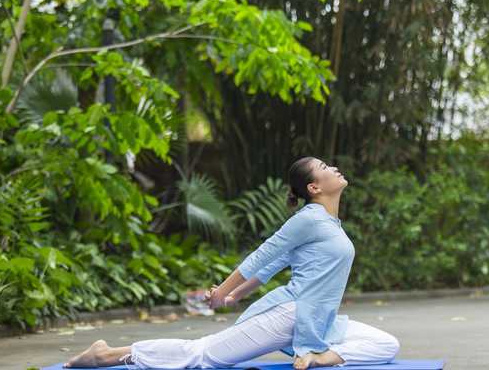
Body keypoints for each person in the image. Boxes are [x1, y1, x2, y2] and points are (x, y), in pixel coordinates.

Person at [64, 157, 400, 370]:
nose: (334, 168)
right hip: (292, 314)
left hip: (322, 323)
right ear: (314, 187)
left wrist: (236, 296)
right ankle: (109, 354)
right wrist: (222, 291)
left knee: (386, 344)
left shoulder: (330, 224)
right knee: (204, 356)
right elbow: (263, 256)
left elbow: (277, 264)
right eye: (326, 168)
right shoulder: (309, 218)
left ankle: (319, 356)